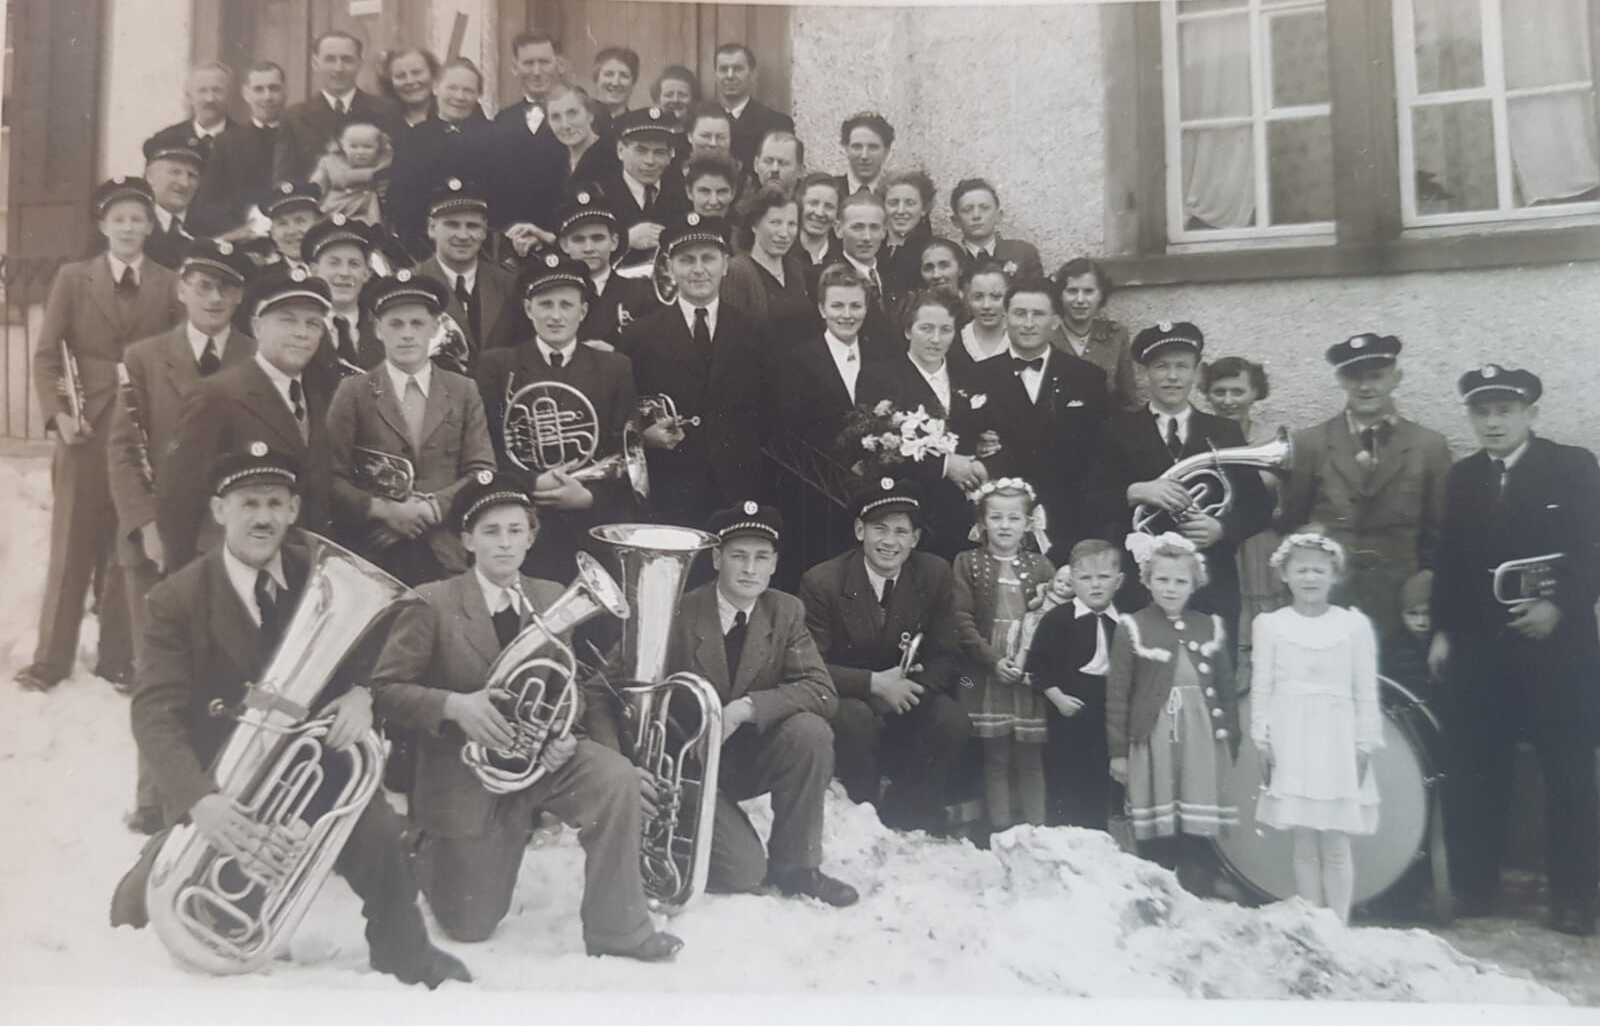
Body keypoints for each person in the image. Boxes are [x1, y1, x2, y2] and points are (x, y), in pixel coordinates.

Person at [115, 443, 472, 988]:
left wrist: (362, 695)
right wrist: (199, 799)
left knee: (379, 833)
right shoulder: (177, 599)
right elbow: (153, 714)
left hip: (312, 765)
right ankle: (158, 861)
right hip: (221, 779)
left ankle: (404, 953)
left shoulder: (325, 575)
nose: (263, 517)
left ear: (293, 510)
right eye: (249, 503)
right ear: (220, 511)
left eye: (274, 503)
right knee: (180, 909)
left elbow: (372, 654)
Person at [362, 469, 681, 958]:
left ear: (532, 537)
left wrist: (566, 735)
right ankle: (426, 849)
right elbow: (385, 691)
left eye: (516, 530)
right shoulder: (432, 601)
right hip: (466, 772)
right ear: (467, 540)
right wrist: (455, 706)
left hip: (540, 762)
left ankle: (618, 929)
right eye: (490, 531)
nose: (505, 543)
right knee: (470, 924)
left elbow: (566, 684)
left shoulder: (552, 596)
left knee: (616, 778)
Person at [592, 502, 859, 905]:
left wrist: (744, 709)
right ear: (717, 559)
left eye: (761, 557)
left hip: (742, 760)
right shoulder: (677, 610)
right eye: (738, 556)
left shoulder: (785, 611)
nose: (750, 569)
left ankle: (796, 868)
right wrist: (618, 769)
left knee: (811, 732)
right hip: (683, 772)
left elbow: (821, 690)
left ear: (774, 564)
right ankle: (673, 836)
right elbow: (598, 689)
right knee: (744, 873)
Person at [1431, 364, 1600, 935]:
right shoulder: (1463, 477)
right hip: (1483, 650)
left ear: (1531, 413)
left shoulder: (1573, 466)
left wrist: (1560, 606)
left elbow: (1592, 549)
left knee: (1568, 771)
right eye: (1482, 412)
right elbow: (1449, 562)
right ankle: (1477, 886)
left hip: (1558, 650)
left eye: (1505, 411)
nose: (1493, 423)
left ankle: (1574, 897)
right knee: (1477, 766)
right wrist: (1443, 632)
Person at [108, 237, 257, 831]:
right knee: (159, 673)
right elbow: (123, 450)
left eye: (227, 287)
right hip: (158, 543)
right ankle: (154, 800)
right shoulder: (144, 357)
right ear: (181, 289)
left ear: (240, 297)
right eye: (203, 285)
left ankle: (227, 790)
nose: (214, 297)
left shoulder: (255, 354)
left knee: (230, 669)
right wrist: (146, 524)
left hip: (233, 540)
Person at [16, 177, 180, 695]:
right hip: (85, 430)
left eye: (138, 219)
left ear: (150, 227)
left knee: (128, 544)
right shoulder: (73, 278)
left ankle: (118, 658)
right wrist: (60, 416)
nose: (129, 228)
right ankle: (50, 661)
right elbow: (47, 356)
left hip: (140, 431)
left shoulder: (169, 282)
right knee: (72, 544)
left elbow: (175, 358)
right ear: (103, 225)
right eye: (119, 219)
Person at [800, 478, 969, 832]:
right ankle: (861, 820)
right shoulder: (823, 582)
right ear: (860, 530)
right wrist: (874, 685)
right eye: (879, 528)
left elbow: (946, 653)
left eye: (901, 531)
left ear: (915, 539)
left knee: (950, 719)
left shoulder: (934, 573)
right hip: (849, 698)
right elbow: (809, 666)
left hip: (906, 694)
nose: (890, 542)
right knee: (855, 718)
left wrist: (907, 690)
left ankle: (907, 818)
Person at [1098, 322, 1270, 641]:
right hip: (1141, 582)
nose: (1172, 376)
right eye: (1162, 367)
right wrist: (1135, 491)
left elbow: (1258, 505)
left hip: (1210, 579)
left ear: (1195, 373)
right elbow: (1090, 500)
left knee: (1211, 665)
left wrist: (1222, 528)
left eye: (1182, 366)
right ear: (1146, 373)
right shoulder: (1116, 429)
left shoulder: (1224, 431)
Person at [158, 267, 337, 569]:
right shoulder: (217, 394)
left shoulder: (317, 397)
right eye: (287, 320)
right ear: (257, 327)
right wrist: (188, 582)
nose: (302, 333)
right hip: (230, 569)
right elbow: (179, 501)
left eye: (313, 323)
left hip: (296, 570)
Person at [475, 253, 639, 581]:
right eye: (545, 304)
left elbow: (627, 456)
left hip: (591, 526)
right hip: (523, 525)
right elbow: (486, 448)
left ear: (583, 311)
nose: (555, 315)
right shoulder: (496, 365)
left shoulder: (615, 367)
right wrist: (532, 482)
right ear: (528, 309)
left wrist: (589, 497)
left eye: (566, 305)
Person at [1280, 334, 1452, 643]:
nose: (1365, 387)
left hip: (1400, 598)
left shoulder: (1428, 446)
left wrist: (1423, 591)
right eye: (1354, 377)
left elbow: (1439, 531)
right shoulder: (1310, 444)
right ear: (1340, 380)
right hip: (1331, 594)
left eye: (1376, 376)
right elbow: (1294, 520)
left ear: (1396, 378)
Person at [326, 271, 493, 586]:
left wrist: (433, 507)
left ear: (435, 327)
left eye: (417, 323)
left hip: (448, 550)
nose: (407, 334)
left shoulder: (463, 389)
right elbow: (330, 476)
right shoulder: (354, 391)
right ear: (378, 329)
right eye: (395, 324)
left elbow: (482, 470)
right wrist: (383, 510)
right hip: (375, 551)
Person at [1250, 532, 1383, 923]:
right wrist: (1262, 739)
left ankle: (1338, 925)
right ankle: (1314, 924)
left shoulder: (1353, 625)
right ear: (1285, 575)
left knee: (1336, 842)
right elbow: (1262, 686)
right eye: (1301, 570)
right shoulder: (1271, 625)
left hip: (1338, 741)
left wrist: (1364, 744)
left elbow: (1365, 690)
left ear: (1334, 575)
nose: (1310, 578)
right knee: (1304, 841)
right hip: (1291, 738)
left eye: (1319, 570)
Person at [1108, 533, 1241, 892]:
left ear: (1194, 584)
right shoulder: (1132, 626)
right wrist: (1118, 752)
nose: (1170, 588)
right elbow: (1118, 695)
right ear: (1147, 580)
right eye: (1162, 579)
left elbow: (1226, 688)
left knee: (1196, 809)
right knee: (1158, 810)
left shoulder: (1209, 625)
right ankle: (1159, 882)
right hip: (1154, 734)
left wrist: (1231, 737)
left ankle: (1199, 881)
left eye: (1180, 581)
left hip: (1201, 733)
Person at [619, 214, 766, 528]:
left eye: (708, 258)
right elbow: (624, 413)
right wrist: (644, 436)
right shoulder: (639, 336)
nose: (698, 269)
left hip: (737, 487)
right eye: (686, 260)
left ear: (725, 265)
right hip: (671, 489)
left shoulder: (754, 332)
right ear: (669, 268)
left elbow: (768, 416)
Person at [857, 286, 999, 561]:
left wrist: (982, 465)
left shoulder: (970, 375)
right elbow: (876, 449)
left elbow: (990, 434)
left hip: (962, 512)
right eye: (926, 329)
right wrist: (945, 465)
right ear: (908, 331)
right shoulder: (880, 377)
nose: (936, 339)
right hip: (908, 513)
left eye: (945, 330)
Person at [977, 276, 1108, 563]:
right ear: (1005, 318)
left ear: (1056, 321)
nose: (1028, 323)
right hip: (1000, 523)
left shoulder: (1088, 378)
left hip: (1069, 519)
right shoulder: (976, 376)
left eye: (1038, 314)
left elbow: (1100, 455)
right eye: (1019, 313)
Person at [953, 478, 1058, 833]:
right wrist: (993, 660)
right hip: (986, 670)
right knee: (996, 757)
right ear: (982, 522)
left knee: (1031, 757)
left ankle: (1037, 832)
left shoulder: (1042, 566)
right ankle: (1000, 831)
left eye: (1014, 518)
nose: (1004, 526)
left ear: (1029, 522)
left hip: (1027, 671)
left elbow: (1054, 621)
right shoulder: (967, 563)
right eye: (996, 517)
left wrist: (1031, 665)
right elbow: (961, 619)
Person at [1024, 538, 1126, 831]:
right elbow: (1037, 666)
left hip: (1107, 713)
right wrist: (1058, 698)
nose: (1095, 585)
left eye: (1103, 577)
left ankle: (1096, 838)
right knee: (1063, 779)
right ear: (1072, 580)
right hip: (1067, 711)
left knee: (1098, 782)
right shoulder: (1058, 619)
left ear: (1118, 581)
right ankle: (1061, 840)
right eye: (1085, 578)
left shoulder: (1124, 622)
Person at [1201, 356, 1285, 673]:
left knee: (1264, 622)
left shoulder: (1271, 439)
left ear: (1255, 393)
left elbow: (1274, 489)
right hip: (1216, 542)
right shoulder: (1199, 433)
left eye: (1237, 391)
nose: (1228, 401)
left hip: (1260, 544)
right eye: (1219, 392)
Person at [775, 264, 890, 452]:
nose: (847, 315)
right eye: (837, 306)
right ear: (822, 309)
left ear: (866, 309)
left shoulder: (880, 356)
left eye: (855, 306)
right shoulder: (797, 362)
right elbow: (794, 434)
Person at [387, 58, 495, 256]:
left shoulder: (494, 137)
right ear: (436, 88)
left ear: (478, 95)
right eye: (452, 88)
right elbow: (400, 199)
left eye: (468, 90)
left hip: (479, 245)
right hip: (423, 246)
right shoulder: (412, 138)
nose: (459, 96)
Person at [274, 30, 400, 182]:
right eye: (330, 59)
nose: (338, 68)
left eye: (347, 59)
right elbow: (284, 180)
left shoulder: (386, 111)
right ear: (315, 63)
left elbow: (397, 170)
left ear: (359, 63)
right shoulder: (294, 117)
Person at [415, 179, 516, 360]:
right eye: (452, 225)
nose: (463, 235)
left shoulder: (508, 284)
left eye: (472, 226)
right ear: (431, 228)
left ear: (484, 232)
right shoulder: (415, 283)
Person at [491, 32, 570, 254]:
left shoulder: (578, 116)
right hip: (513, 244)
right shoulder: (502, 120)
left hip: (564, 241)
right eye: (528, 63)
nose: (536, 71)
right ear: (515, 67)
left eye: (544, 62)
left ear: (558, 64)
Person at [553, 191, 654, 350]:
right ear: (565, 245)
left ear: (614, 242)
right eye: (579, 240)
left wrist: (615, 354)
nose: (589, 248)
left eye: (597, 238)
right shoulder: (550, 295)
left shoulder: (641, 293)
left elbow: (657, 353)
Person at [721, 186, 816, 347]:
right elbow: (733, 340)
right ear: (754, 225)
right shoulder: (737, 271)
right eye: (775, 222)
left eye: (792, 224)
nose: (784, 233)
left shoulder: (795, 268)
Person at [149, 62, 236, 236]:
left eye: (217, 90)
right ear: (189, 96)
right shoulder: (166, 139)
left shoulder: (245, 141)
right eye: (202, 91)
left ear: (229, 96)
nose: (210, 99)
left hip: (227, 236)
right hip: (174, 234)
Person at [598, 106, 686, 272]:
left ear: (670, 156)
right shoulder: (599, 193)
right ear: (620, 150)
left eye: (659, 152)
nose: (650, 161)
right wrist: (626, 240)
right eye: (641, 151)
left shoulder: (681, 192)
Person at [203, 62, 288, 232]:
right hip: (244, 234)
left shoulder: (300, 136)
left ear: (285, 92)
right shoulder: (226, 142)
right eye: (258, 89)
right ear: (246, 93)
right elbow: (210, 201)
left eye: (274, 88)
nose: (267, 97)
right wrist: (246, 216)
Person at [1050, 257, 1140, 410]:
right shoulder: (1047, 338)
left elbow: (1129, 399)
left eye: (1088, 291)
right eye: (1072, 291)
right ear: (1060, 294)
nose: (1080, 300)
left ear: (1101, 295)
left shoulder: (1115, 336)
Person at [303, 215, 381, 377]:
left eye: (354, 264)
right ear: (314, 271)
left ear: (367, 273)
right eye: (334, 263)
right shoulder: (300, 329)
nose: (344, 273)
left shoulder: (384, 327)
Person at [715, 43, 794, 171]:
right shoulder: (700, 119)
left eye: (737, 69)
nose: (730, 75)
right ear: (715, 74)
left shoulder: (777, 123)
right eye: (723, 69)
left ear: (752, 74)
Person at [834, 190, 897, 351]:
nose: (867, 237)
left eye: (874, 227)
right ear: (838, 229)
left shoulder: (893, 275)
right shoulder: (828, 278)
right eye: (857, 227)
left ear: (884, 231)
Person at [949, 178, 1042, 279]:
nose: (976, 215)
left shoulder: (1023, 253)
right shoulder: (951, 260)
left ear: (998, 216)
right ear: (956, 221)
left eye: (985, 208)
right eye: (967, 210)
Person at [140, 135, 206, 270]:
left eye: (192, 175)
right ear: (150, 176)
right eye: (175, 172)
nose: (184, 183)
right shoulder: (129, 224)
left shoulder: (206, 230)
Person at [310, 120, 392, 225]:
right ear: (343, 146)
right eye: (353, 147)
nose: (360, 152)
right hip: (336, 209)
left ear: (378, 147)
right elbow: (316, 187)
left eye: (368, 147)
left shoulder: (384, 164)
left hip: (369, 212)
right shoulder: (330, 162)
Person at [1380, 569, 1434, 701]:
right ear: (1402, 614)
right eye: (1412, 614)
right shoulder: (1391, 650)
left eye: (1428, 613)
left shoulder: (1452, 646)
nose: (1421, 622)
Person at [548, 81, 614, 186]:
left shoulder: (612, 158)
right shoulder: (553, 165)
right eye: (555, 117)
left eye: (572, 113)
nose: (565, 125)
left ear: (590, 115)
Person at [881, 170, 935, 298]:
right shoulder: (873, 248)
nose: (900, 211)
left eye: (910, 203)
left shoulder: (933, 251)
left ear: (924, 209)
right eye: (893, 203)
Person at [253, 180, 322, 274]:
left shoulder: (339, 273)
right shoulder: (262, 279)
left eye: (300, 221)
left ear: (318, 224)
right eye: (282, 223)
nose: (291, 231)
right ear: (272, 233)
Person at [953, 260, 1010, 370]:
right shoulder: (954, 342)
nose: (986, 305)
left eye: (996, 297)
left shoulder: (1020, 340)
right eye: (978, 297)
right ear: (968, 299)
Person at [795, 172, 844, 290]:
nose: (820, 213)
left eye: (829, 206)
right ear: (800, 205)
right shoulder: (784, 251)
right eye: (813, 203)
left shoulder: (844, 256)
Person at [835, 111, 894, 199]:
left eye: (873, 147)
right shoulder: (831, 190)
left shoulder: (895, 194)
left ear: (886, 152)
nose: (864, 156)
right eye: (857, 147)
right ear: (846, 149)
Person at [380, 47, 440, 130]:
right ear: (389, 82)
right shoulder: (381, 120)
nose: (410, 81)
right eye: (400, 76)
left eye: (417, 73)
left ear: (433, 75)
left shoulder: (451, 117)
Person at [591, 45, 640, 124]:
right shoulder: (582, 122)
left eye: (624, 75)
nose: (615, 83)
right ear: (596, 79)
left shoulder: (637, 125)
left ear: (633, 82)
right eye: (609, 74)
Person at [683, 154, 740, 220]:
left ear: (733, 193)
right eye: (705, 191)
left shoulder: (744, 225)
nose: (713, 202)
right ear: (689, 192)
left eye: (722, 192)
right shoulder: (676, 226)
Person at [750, 130, 804, 197]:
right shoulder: (743, 203)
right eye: (768, 161)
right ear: (756, 164)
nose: (774, 169)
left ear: (800, 171)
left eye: (783, 163)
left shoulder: (811, 202)